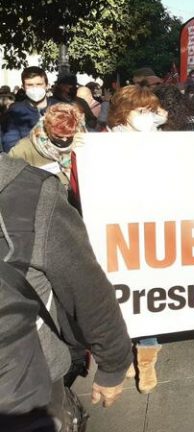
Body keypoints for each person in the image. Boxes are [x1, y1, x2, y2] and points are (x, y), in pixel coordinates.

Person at [0, 154, 132, 428]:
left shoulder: (27, 194)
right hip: (26, 391)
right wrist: (113, 365)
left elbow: (86, 288)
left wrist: (113, 362)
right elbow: (86, 288)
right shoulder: (27, 190)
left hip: (25, 391)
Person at [106, 85, 168, 393]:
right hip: (119, 229)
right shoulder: (102, 144)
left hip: (154, 227)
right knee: (121, 296)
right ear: (122, 113)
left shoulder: (164, 141)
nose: (146, 116)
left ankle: (147, 360)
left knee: (149, 294)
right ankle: (121, 355)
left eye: (151, 110)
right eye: (139, 110)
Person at [8, 103, 86, 188]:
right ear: (47, 128)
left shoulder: (83, 143)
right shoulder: (25, 149)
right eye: (58, 136)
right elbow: (7, 178)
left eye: (69, 136)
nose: (64, 140)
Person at [2, 66, 57, 152]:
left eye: (39, 84)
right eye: (30, 85)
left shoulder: (60, 107)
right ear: (23, 87)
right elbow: (10, 146)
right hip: (29, 163)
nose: (35, 88)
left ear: (47, 85)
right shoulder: (15, 112)